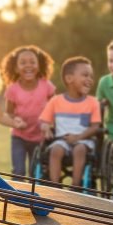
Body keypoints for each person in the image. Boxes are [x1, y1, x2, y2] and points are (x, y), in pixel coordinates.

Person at [39, 57, 101, 187]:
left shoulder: (92, 102)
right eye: (85, 75)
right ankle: (56, 187)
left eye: (91, 76)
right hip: (62, 140)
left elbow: (95, 127)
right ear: (69, 79)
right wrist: (46, 128)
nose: (90, 79)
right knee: (56, 150)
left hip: (84, 140)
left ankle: (75, 186)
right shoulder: (56, 101)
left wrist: (78, 137)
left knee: (79, 149)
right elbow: (44, 121)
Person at [1, 45, 55, 179]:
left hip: (40, 138)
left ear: (39, 65)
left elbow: (55, 108)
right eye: (23, 63)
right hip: (19, 137)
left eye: (32, 62)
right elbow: (9, 113)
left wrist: (49, 123)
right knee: (18, 171)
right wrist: (15, 121)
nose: (28, 66)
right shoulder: (12, 89)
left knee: (35, 173)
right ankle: (15, 198)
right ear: (15, 67)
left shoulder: (46, 85)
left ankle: (34, 199)